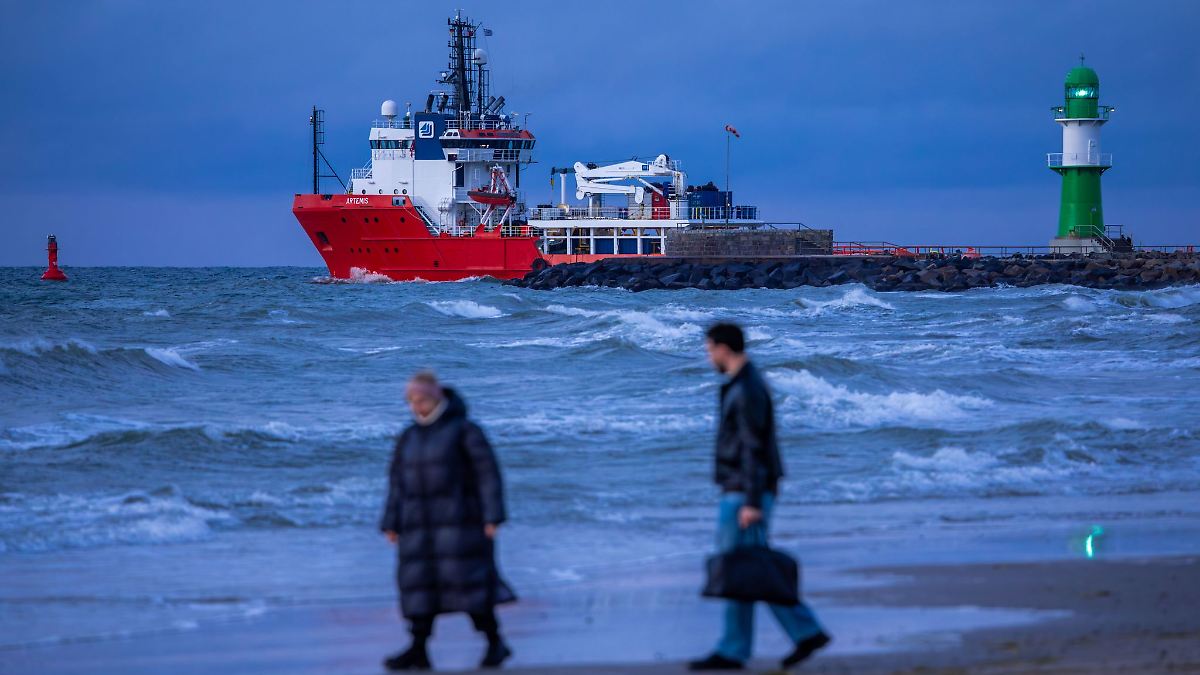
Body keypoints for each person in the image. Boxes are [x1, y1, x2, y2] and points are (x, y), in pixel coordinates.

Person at [689, 323, 832, 671]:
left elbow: (753, 449)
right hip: (745, 489)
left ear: (724, 349)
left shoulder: (746, 389)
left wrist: (751, 501)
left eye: (709, 350)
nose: (708, 358)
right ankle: (802, 632)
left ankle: (738, 648)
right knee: (748, 568)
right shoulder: (744, 384)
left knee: (739, 568)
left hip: (745, 492)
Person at [380, 372, 515, 671]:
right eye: (411, 401)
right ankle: (418, 649)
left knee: (470, 584)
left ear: (436, 397)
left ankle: (495, 642)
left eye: (421, 400)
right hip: (417, 526)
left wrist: (493, 516)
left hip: (461, 523)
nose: (416, 406)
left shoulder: (465, 431)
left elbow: (488, 475)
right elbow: (397, 483)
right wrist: (391, 521)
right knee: (418, 587)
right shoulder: (409, 436)